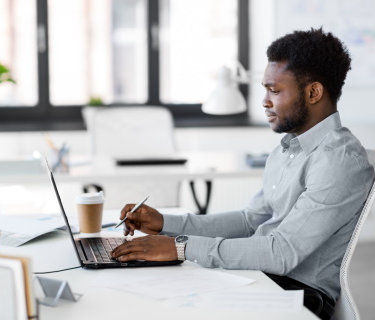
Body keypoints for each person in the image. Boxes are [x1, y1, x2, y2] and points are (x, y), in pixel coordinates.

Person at [111, 28, 375, 319]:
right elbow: (250, 221)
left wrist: (180, 247)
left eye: (274, 91)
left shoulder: (339, 161)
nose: (264, 101)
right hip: (261, 276)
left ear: (313, 92)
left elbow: (282, 253)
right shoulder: (287, 148)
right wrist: (166, 224)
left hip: (297, 295)